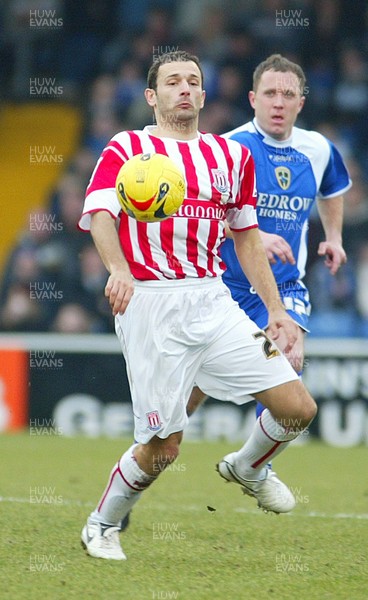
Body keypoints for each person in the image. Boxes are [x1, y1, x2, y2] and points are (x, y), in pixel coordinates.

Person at [78, 51, 317, 561]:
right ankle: (102, 523)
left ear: (204, 96)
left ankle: (249, 467)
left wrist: (276, 310)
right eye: (172, 82)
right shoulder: (129, 148)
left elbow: (248, 238)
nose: (184, 89)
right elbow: (100, 214)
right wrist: (119, 270)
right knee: (163, 448)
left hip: (213, 298)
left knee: (298, 408)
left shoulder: (229, 158)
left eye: (193, 82)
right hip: (151, 303)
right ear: (152, 95)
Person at [187, 53, 351, 420]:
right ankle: (146, 453)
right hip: (224, 288)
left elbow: (332, 188)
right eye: (270, 93)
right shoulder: (227, 150)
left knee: (287, 358)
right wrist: (253, 235)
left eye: (288, 95)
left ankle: (256, 468)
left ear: (301, 102)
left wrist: (335, 236)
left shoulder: (318, 149)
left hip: (283, 288)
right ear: (252, 99)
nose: (279, 102)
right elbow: (202, 217)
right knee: (189, 397)